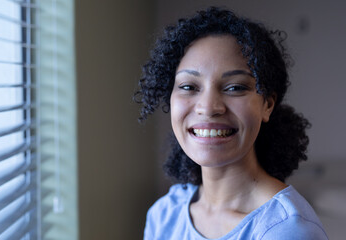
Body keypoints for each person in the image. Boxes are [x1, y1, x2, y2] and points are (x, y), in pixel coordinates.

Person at [134, 7, 328, 240]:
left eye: (235, 87)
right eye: (189, 87)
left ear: (267, 104)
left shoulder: (286, 230)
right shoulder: (164, 215)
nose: (208, 107)